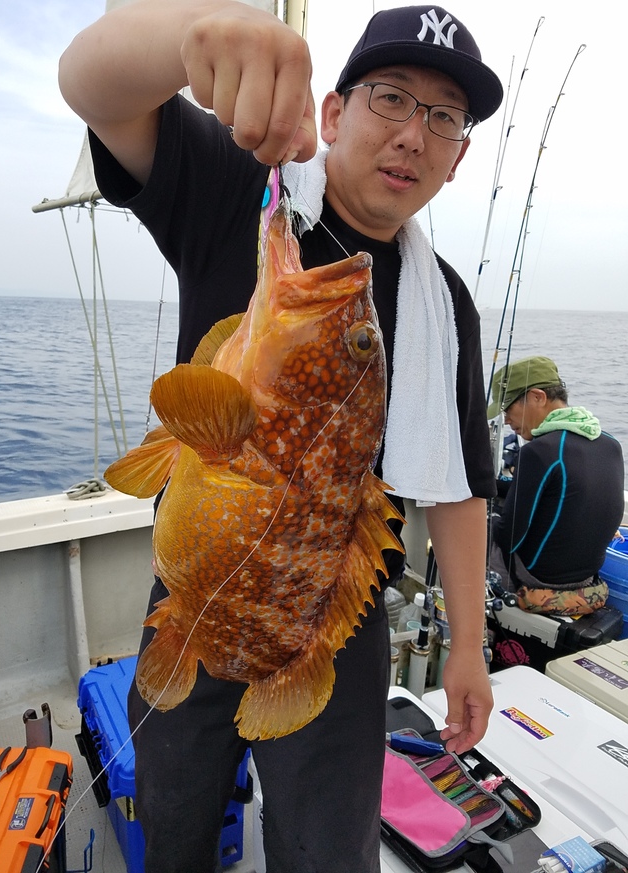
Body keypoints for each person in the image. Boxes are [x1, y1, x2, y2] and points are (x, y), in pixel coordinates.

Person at [60, 4, 501, 870]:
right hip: (195, 594)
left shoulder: (445, 305)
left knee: (328, 852)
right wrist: (193, 34)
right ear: (332, 114)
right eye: (390, 98)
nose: (413, 134)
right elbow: (92, 85)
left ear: (458, 156)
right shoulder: (241, 192)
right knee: (173, 821)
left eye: (443, 117)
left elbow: (458, 482)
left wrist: (469, 646)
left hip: (331, 623)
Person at [488, 355, 625, 615]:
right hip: (587, 579)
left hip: (539, 579)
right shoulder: (609, 444)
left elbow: (508, 537)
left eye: (508, 409)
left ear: (538, 397)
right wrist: (493, 485)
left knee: (479, 521)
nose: (506, 420)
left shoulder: (538, 452)